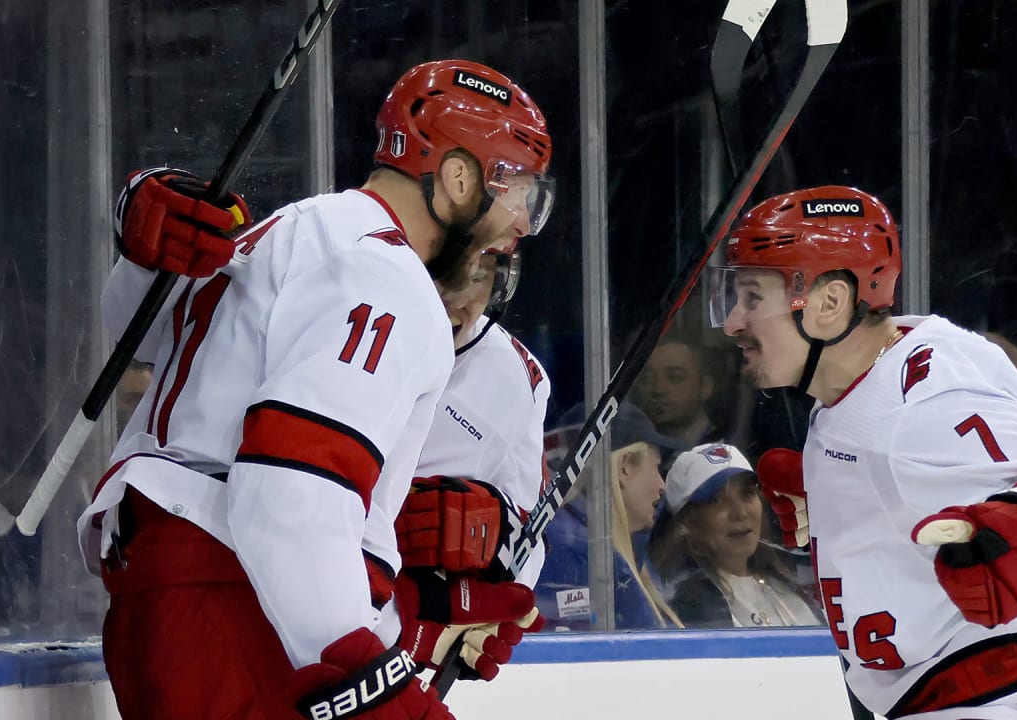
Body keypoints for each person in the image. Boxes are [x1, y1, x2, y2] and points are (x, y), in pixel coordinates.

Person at [77, 59, 556, 720]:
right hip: (234, 605)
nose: (521, 226)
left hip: (183, 596)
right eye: (518, 191)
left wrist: (404, 622)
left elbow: (146, 337)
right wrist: (361, 675)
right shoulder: (382, 275)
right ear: (458, 177)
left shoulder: (295, 233)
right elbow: (291, 494)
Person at [708, 185, 1017, 719]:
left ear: (830, 302)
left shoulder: (936, 394)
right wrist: (839, 498)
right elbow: (916, 475)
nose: (734, 320)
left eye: (753, 297)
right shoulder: (857, 392)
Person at [406, 249, 551, 589]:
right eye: (443, 270)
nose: (458, 297)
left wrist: (488, 554)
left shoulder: (514, 378)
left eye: (479, 277)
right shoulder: (342, 319)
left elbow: (527, 546)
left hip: (406, 604)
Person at [535, 402, 684, 631]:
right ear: (624, 467)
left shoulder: (620, 552)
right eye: (656, 467)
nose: (662, 486)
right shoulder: (578, 554)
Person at [648, 442, 820, 628]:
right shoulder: (688, 602)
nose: (740, 513)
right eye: (718, 500)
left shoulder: (784, 582)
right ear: (687, 521)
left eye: (747, 494)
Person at [633, 336, 727, 447]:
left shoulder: (728, 449)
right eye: (646, 378)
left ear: (705, 386)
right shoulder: (632, 448)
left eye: (675, 377)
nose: (658, 389)